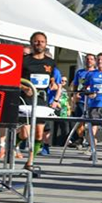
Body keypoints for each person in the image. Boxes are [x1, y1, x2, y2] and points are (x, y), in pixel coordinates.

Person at [19, 32, 60, 171]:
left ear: (46, 43)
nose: (39, 44)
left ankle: (30, 162)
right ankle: (14, 145)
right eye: (36, 41)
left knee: (38, 133)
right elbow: (14, 79)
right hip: (26, 99)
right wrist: (25, 87)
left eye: (42, 41)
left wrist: (52, 85)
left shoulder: (50, 62)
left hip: (41, 99)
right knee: (25, 133)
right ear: (31, 43)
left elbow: (52, 79)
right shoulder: (24, 60)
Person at [70, 53, 96, 147]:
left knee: (91, 123)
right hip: (81, 100)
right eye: (87, 59)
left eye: (91, 59)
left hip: (92, 102)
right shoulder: (80, 72)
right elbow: (75, 85)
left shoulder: (96, 72)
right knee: (80, 121)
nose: (89, 61)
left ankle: (91, 141)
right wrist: (74, 95)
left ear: (94, 61)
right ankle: (81, 138)